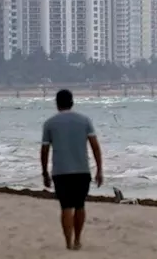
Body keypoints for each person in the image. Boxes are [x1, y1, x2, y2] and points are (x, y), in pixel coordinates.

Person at [40, 89, 103, 251]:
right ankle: (77, 240)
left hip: (60, 172)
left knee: (66, 207)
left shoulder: (50, 123)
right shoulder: (84, 120)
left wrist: (45, 172)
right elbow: (95, 147)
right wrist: (99, 169)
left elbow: (44, 150)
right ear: (72, 102)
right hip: (82, 171)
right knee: (80, 206)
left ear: (57, 104)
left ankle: (68, 242)